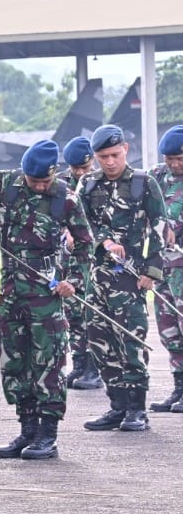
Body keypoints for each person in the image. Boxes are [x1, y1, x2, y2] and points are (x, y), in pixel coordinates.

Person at [0, 140, 95, 460]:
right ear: (25, 174)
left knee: (48, 362)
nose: (41, 186)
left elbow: (86, 246)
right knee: (14, 362)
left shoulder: (65, 198)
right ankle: (27, 430)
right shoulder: (7, 183)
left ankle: (47, 435)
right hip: (10, 293)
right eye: (35, 182)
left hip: (46, 295)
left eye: (45, 181)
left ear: (54, 173)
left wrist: (73, 280)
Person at [77, 124, 166, 431]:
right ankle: (117, 406)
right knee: (99, 342)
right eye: (103, 157)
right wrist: (104, 240)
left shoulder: (144, 182)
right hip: (96, 277)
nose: (110, 162)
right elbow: (79, 222)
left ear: (126, 149)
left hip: (130, 278)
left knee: (131, 342)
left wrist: (151, 273)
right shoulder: (88, 184)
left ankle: (137, 410)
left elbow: (159, 230)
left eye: (114, 154)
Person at [60, 137, 100, 389]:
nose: (79, 173)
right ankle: (79, 363)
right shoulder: (62, 183)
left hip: (94, 259)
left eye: (84, 168)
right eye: (75, 168)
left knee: (92, 312)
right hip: (68, 259)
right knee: (73, 312)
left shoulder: (100, 184)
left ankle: (95, 368)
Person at [150, 126, 183, 414]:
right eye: (170, 158)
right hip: (163, 267)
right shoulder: (157, 175)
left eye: (179, 158)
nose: (174, 164)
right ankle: (178, 387)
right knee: (168, 329)